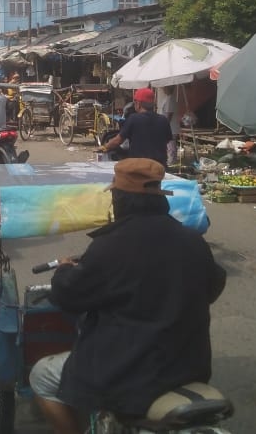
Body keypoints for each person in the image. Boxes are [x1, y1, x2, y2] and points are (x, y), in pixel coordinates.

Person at [30, 158, 227, 434]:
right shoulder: (192, 240)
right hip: (188, 366)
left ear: (119, 199)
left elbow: (68, 296)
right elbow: (214, 285)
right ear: (160, 197)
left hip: (126, 374)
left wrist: (63, 270)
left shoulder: (109, 247)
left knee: (41, 376)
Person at [98, 87, 172, 166]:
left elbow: (118, 141)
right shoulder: (163, 120)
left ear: (138, 104)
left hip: (139, 167)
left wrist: (104, 147)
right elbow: (167, 140)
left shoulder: (133, 118)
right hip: (159, 167)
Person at [156, 85, 182, 165]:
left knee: (171, 146)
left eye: (164, 87)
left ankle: (171, 162)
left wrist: (163, 127)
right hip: (169, 127)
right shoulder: (168, 98)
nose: (163, 89)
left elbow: (169, 115)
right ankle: (170, 161)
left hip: (170, 127)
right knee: (169, 146)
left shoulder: (170, 99)